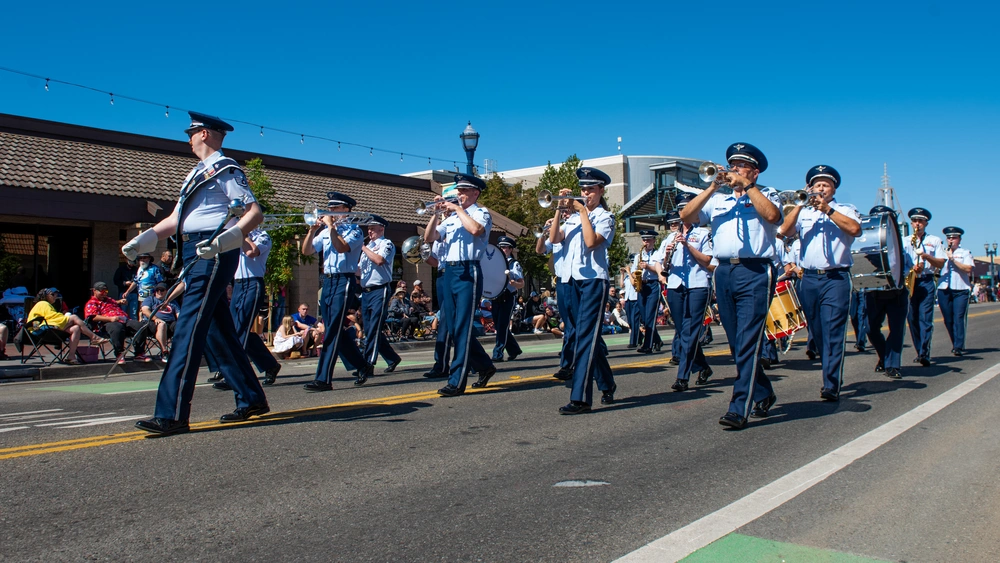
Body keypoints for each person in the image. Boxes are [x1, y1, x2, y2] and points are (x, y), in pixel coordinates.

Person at [122, 112, 269, 436]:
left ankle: (172, 413)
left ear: (203, 133)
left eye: (191, 132)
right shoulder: (196, 173)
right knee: (217, 330)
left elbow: (253, 212)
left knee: (188, 327)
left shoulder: (225, 167)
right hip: (194, 249)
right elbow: (178, 219)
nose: (187, 138)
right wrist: (144, 239)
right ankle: (250, 396)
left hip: (212, 250)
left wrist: (225, 240)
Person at [681, 142, 781, 430]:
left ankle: (739, 407)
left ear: (755, 172)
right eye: (732, 165)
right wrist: (713, 187)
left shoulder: (766, 194)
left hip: (755, 270)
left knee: (748, 342)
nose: (734, 169)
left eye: (741, 165)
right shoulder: (719, 200)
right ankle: (763, 391)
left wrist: (747, 187)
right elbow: (687, 216)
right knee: (737, 345)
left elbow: (773, 216)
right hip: (724, 271)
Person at [778, 165, 861, 402]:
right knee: (816, 330)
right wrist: (799, 204)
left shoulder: (845, 209)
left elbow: (855, 229)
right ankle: (830, 371)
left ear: (834, 188)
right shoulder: (803, 212)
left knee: (833, 330)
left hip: (835, 278)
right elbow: (784, 230)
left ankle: (831, 383)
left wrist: (828, 210)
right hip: (809, 278)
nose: (821, 188)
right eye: (817, 185)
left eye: (825, 184)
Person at [549, 167, 616, 414]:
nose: (586, 193)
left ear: (601, 191)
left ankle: (580, 398)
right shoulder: (574, 218)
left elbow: (591, 242)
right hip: (574, 281)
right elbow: (555, 238)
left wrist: (582, 212)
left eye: (590, 189)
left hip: (594, 281)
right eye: (583, 189)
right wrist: (559, 209)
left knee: (585, 339)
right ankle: (607, 383)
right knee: (585, 337)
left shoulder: (605, 217)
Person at [423, 173, 497, 395]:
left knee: (463, 327)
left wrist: (457, 209)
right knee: (453, 329)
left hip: (468, 269)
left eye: (464, 191)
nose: (460, 195)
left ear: (476, 193)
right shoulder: (452, 218)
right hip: (450, 271)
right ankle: (484, 366)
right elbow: (430, 237)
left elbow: (476, 230)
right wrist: (435, 215)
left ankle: (456, 381)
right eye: (459, 191)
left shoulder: (480, 213)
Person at [300, 191, 374, 390]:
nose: (330, 211)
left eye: (335, 208)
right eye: (330, 208)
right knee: (333, 328)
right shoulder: (325, 231)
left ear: (346, 210)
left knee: (331, 330)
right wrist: (311, 231)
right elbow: (306, 251)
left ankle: (323, 378)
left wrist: (331, 226)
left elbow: (342, 248)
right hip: (328, 281)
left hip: (344, 280)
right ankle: (362, 365)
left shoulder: (355, 231)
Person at [656, 209, 714, 391]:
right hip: (675, 285)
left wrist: (688, 246)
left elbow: (708, 261)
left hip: (697, 285)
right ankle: (703, 367)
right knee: (683, 332)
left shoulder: (704, 234)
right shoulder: (670, 237)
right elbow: (660, 262)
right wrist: (664, 261)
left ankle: (683, 376)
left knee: (690, 332)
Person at [864, 206, 912, 379]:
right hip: (874, 291)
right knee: (870, 328)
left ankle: (893, 365)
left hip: (896, 292)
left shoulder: (903, 241)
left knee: (897, 329)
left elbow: (908, 266)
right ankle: (884, 357)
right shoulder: (866, 240)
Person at [231, 227, 282, 385]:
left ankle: (233, 372)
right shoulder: (235, 233)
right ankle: (270, 365)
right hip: (238, 284)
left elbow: (251, 252)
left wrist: (242, 234)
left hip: (253, 283)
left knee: (240, 330)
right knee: (235, 330)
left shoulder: (263, 236)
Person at [359, 214, 402, 373]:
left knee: (374, 327)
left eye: (372, 229)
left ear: (381, 229)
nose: (369, 232)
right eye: (368, 229)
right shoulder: (367, 247)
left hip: (380, 289)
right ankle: (392, 358)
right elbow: (359, 270)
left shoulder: (386, 244)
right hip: (366, 291)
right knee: (369, 328)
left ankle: (367, 364)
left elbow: (379, 260)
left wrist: (362, 247)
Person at [903, 207, 946, 366]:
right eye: (914, 221)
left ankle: (924, 352)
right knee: (912, 318)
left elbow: (941, 263)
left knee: (925, 318)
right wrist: (910, 269)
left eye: (921, 221)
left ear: (926, 223)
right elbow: (900, 263)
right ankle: (919, 350)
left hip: (926, 280)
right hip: (910, 280)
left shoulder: (934, 240)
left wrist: (926, 257)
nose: (917, 224)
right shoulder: (905, 240)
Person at [27, 288, 107, 365]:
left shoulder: (45, 305)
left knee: (76, 328)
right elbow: (52, 317)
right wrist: (66, 317)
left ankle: (71, 356)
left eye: (56, 294)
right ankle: (94, 337)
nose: (55, 296)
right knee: (74, 317)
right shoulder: (43, 303)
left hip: (46, 329)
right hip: (40, 330)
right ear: (46, 296)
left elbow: (52, 318)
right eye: (52, 294)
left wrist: (64, 318)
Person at [85, 281, 149, 363]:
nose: (104, 293)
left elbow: (115, 302)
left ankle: (139, 353)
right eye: (102, 291)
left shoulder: (109, 300)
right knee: (117, 327)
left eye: (106, 291)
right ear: (94, 291)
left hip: (124, 320)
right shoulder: (92, 303)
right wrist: (110, 319)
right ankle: (119, 353)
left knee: (140, 326)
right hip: (107, 323)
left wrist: (121, 301)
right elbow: (93, 317)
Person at [937, 226, 974, 356]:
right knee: (948, 319)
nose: (951, 240)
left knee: (958, 318)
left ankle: (958, 346)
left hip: (960, 289)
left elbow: (968, 269)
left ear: (959, 239)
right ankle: (955, 342)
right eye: (949, 237)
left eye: (954, 237)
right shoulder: (941, 252)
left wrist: (952, 259)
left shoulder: (964, 252)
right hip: (944, 288)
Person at [423, 238, 453, 379]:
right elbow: (435, 262)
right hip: (441, 275)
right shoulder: (439, 236)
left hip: (453, 273)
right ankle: (477, 362)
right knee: (447, 321)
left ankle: (441, 364)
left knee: (447, 323)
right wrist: (423, 254)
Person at [492, 236, 525, 362]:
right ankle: (514, 349)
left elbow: (521, 283)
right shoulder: (495, 262)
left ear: (511, 249)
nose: (503, 249)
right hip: (496, 297)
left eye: (506, 247)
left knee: (502, 326)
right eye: (501, 247)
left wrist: (514, 283)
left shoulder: (514, 264)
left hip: (508, 297)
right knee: (499, 325)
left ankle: (498, 353)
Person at [634, 230, 663, 354]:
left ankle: (648, 345)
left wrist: (648, 267)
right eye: (644, 240)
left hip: (653, 284)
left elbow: (660, 271)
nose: (646, 242)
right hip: (642, 286)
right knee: (644, 318)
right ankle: (657, 340)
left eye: (649, 239)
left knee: (650, 316)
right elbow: (636, 272)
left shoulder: (657, 254)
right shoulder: (638, 255)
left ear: (654, 241)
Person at [140, 283, 178, 362]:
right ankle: (164, 352)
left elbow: (179, 314)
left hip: (170, 323)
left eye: (162, 290)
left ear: (167, 291)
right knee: (162, 324)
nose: (159, 292)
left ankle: (181, 351)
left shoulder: (172, 302)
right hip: (153, 323)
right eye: (157, 290)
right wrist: (155, 318)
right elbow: (145, 310)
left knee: (182, 325)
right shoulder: (150, 299)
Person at [620, 255, 641, 349]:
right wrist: (622, 274)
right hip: (628, 299)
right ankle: (642, 337)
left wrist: (629, 272)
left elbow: (634, 283)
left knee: (634, 320)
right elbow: (621, 285)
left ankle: (634, 342)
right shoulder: (628, 275)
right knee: (630, 322)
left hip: (635, 299)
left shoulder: (636, 272)